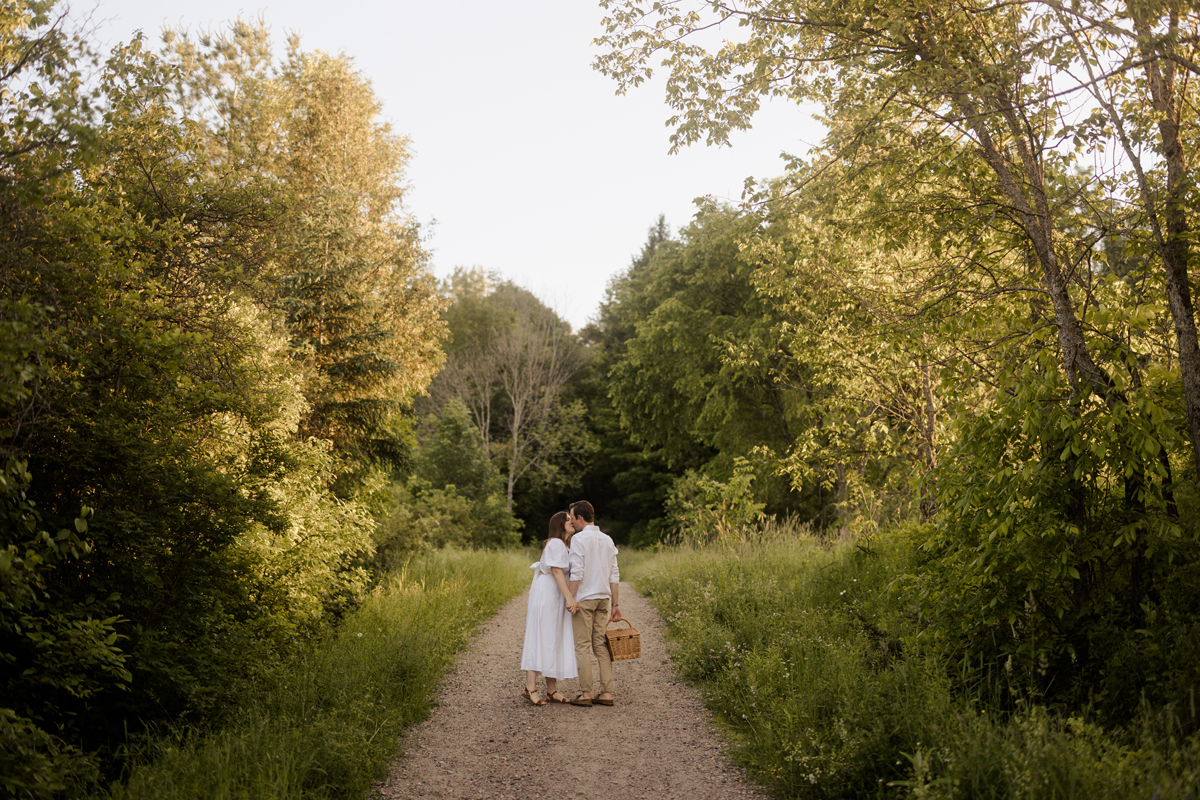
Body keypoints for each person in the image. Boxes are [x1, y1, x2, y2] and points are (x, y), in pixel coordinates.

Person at [519, 511, 579, 705]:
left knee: (553, 637)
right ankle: (531, 687)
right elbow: (555, 571)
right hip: (547, 595)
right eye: (568, 520)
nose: (572, 522)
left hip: (555, 595)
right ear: (560, 524)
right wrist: (570, 598)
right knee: (541, 636)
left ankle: (552, 690)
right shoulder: (555, 543)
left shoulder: (563, 545)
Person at [566, 500, 621, 707]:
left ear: (580, 518)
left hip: (585, 600)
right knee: (600, 645)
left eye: (572, 517)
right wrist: (616, 605)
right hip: (604, 599)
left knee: (582, 645)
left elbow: (577, 572)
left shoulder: (579, 540)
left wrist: (570, 597)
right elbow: (614, 574)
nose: (571, 521)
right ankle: (607, 692)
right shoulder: (608, 539)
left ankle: (586, 693)